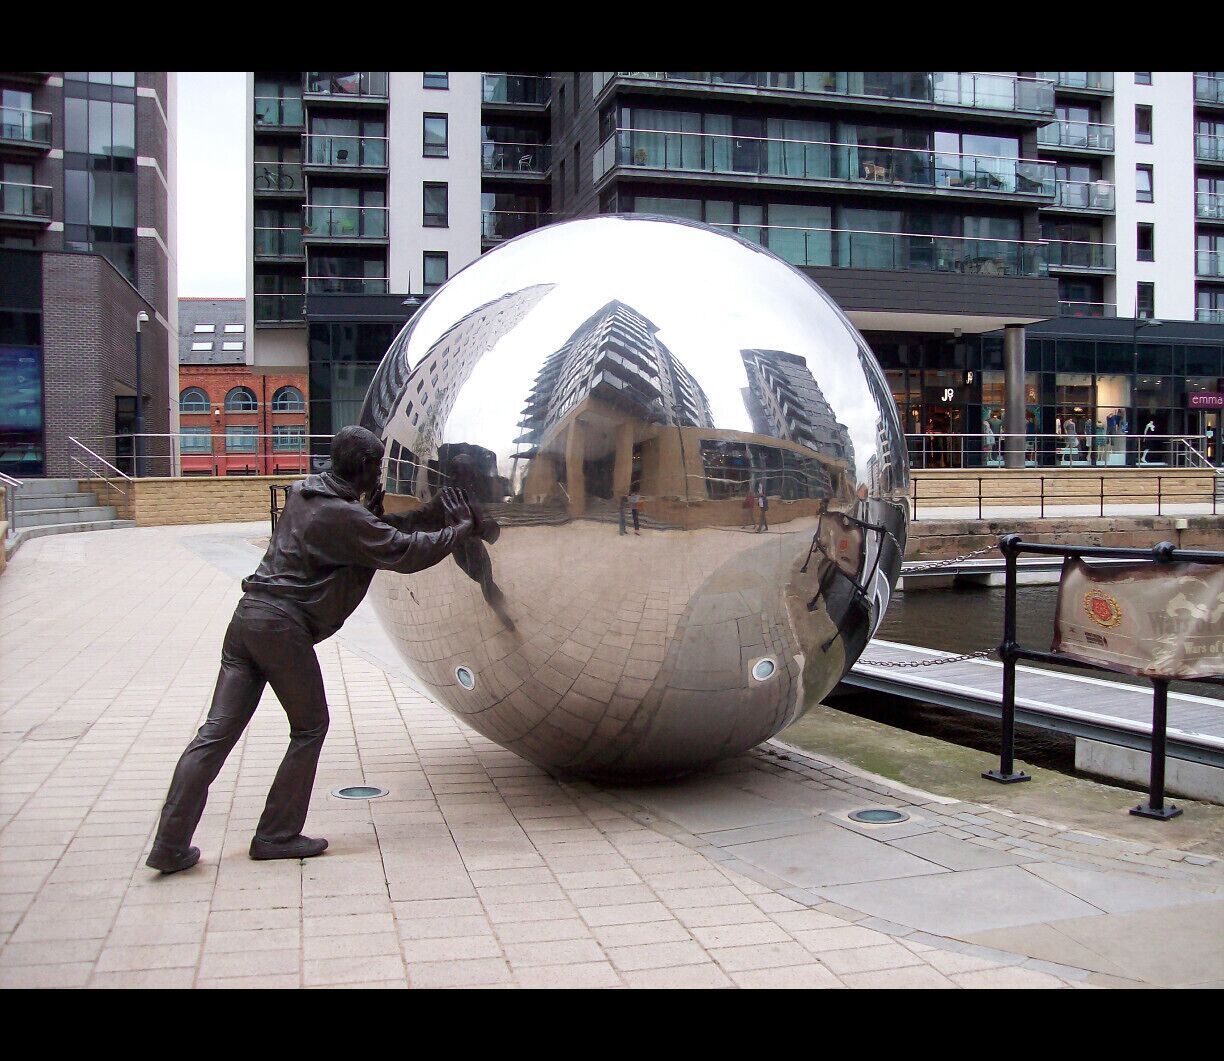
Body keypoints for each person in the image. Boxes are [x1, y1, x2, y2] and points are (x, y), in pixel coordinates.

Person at [145, 426, 476, 874]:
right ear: (363, 469)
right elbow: (403, 552)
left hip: (247, 620)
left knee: (215, 734)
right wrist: (458, 529)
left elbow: (368, 533)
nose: (378, 474)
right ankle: (276, 834)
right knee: (310, 726)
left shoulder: (305, 494)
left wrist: (415, 512)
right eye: (375, 467)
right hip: (281, 627)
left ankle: (170, 844)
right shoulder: (343, 516)